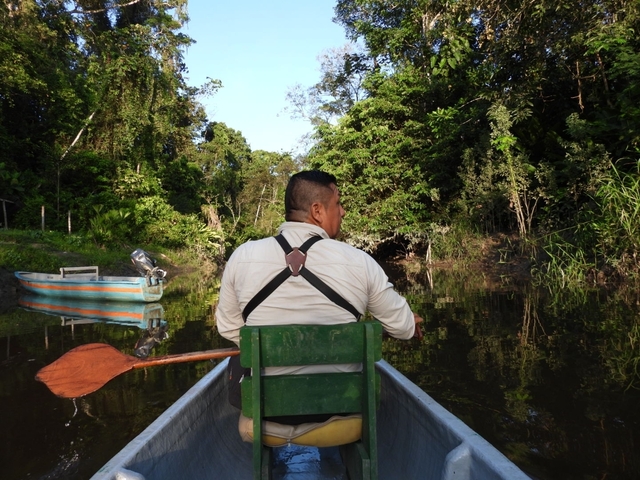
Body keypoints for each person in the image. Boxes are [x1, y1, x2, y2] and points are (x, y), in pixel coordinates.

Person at [215, 170, 423, 431]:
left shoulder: (242, 256)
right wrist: (409, 321)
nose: (343, 211)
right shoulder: (359, 261)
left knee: (240, 356)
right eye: (338, 203)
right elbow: (403, 330)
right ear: (317, 210)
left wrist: (276, 347)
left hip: (269, 408)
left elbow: (229, 328)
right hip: (341, 405)